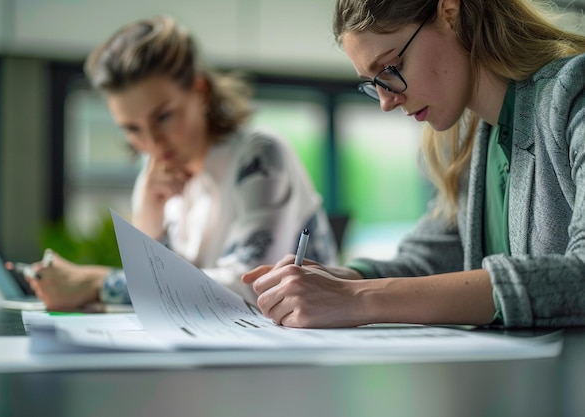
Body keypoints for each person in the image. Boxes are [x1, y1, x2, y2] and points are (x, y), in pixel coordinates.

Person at [242, 0, 585, 328]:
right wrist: (345, 277)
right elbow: (435, 261)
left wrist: (357, 298)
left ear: (450, 14)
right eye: (372, 84)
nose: (386, 102)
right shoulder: (465, 137)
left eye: (391, 69)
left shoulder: (573, 96)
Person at [24, 15, 337, 311]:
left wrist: (100, 284)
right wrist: (149, 214)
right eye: (132, 129)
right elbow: (160, 297)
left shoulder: (261, 155)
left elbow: (253, 285)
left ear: (199, 91)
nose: (153, 144)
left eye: (163, 116)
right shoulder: (158, 183)